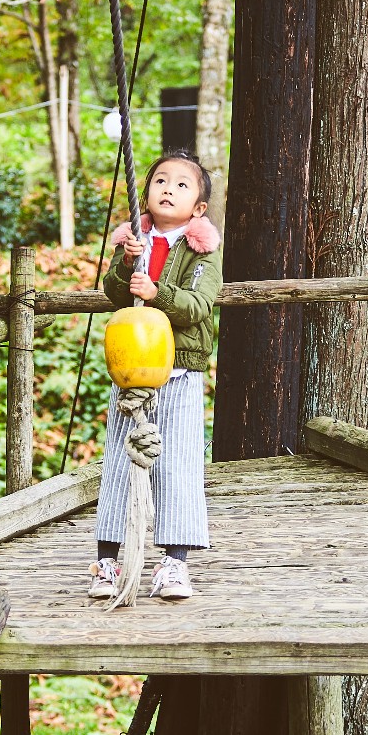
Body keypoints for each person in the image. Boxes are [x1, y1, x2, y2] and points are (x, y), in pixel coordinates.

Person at [90, 150, 222, 601]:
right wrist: (128, 265)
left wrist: (157, 290)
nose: (168, 189)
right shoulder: (135, 239)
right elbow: (112, 292)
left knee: (178, 464)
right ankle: (109, 559)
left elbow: (198, 306)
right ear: (145, 194)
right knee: (118, 462)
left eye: (182, 185)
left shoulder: (202, 250)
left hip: (179, 369)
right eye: (160, 181)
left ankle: (174, 564)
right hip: (131, 369)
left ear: (198, 208)